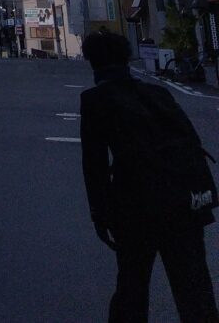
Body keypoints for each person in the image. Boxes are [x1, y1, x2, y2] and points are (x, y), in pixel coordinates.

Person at [80, 29, 218, 323]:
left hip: (136, 206)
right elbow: (191, 140)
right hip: (185, 200)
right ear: (126, 58)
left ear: (93, 63)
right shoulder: (158, 93)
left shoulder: (96, 99)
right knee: (195, 288)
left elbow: (95, 165)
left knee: (132, 287)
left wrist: (99, 215)